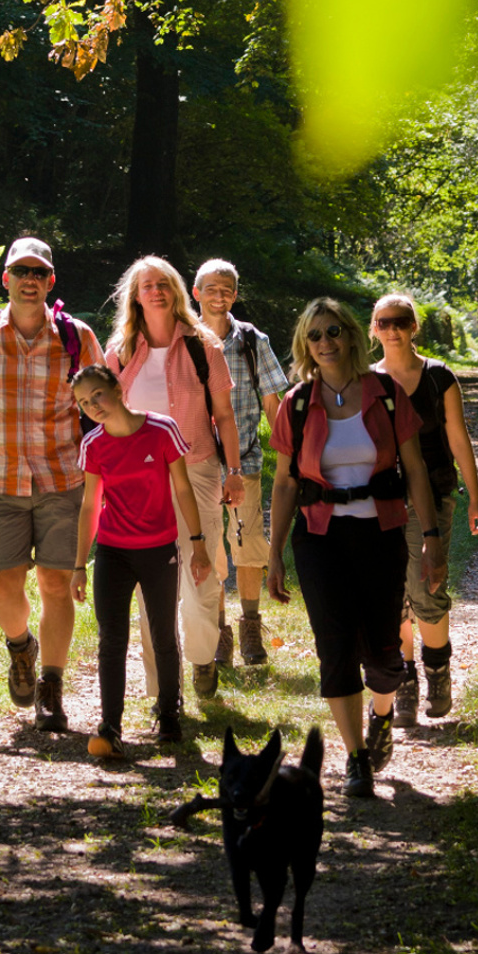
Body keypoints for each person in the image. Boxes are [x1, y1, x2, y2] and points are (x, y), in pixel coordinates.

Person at [266, 297, 443, 798]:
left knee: (385, 654)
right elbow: (283, 483)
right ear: (306, 344)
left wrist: (431, 538)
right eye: (315, 335)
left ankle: (381, 712)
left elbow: (415, 471)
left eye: (334, 332)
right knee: (335, 647)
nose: (326, 342)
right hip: (320, 538)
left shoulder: (385, 393)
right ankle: (356, 758)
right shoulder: (297, 403)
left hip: (381, 535)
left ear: (350, 335)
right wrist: (275, 551)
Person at [0, 236, 103, 732]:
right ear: (5, 279)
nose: (30, 280)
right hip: (0, 480)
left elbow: (104, 403)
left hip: (62, 479)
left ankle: (51, 682)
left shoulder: (77, 338)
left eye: (39, 273)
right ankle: (20, 646)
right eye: (21, 271)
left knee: (54, 583)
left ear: (50, 282)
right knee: (2, 588)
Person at [105, 256, 244, 701]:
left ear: (177, 291)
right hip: (137, 480)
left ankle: (202, 659)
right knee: (151, 583)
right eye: (147, 284)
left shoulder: (204, 346)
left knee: (202, 571)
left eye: (164, 283)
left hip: (198, 468)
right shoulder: (120, 351)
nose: (156, 291)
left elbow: (224, 415)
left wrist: (235, 471)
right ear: (135, 295)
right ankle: (163, 687)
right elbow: (105, 416)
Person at [70, 365, 212, 756]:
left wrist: (198, 543)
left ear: (117, 388)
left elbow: (183, 488)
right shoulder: (93, 444)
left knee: (163, 634)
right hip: (113, 553)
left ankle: (169, 715)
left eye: (97, 394)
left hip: (159, 549)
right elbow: (89, 506)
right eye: (84, 402)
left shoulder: (161, 430)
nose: (92, 406)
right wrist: (79, 564)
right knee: (111, 640)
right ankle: (110, 726)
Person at [369, 291, 478, 723]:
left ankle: (437, 669)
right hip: (381, 497)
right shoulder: (367, 381)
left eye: (401, 321)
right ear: (374, 329)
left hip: (433, 492)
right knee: (392, 593)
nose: (394, 329)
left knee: (425, 586)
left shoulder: (439, 377)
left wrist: (475, 497)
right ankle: (405, 679)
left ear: (414, 326)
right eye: (384, 322)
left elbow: (458, 438)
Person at [192, 259, 289, 665]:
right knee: (212, 550)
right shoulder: (183, 340)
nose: (219, 296)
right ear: (196, 293)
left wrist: (290, 456)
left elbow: (272, 402)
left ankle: (251, 628)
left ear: (235, 294)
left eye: (227, 289)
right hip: (197, 463)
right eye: (211, 288)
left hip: (245, 459)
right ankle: (219, 634)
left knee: (248, 546)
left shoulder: (252, 341)